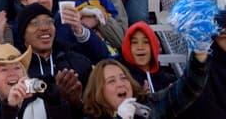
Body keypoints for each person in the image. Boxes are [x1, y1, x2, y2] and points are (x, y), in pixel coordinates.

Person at [82, 52, 210, 119]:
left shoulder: (148, 109)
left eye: (123, 77)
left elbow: (188, 89)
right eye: (111, 81)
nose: (121, 84)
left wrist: (200, 54)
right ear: (98, 91)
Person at [16, 3, 90, 115]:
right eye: (35, 23)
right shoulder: (15, 67)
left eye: (49, 21)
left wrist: (77, 102)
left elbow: (94, 109)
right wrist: (55, 91)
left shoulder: (78, 62)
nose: (45, 27)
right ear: (23, 34)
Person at [0, 43, 72, 118]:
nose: (12, 73)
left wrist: (56, 101)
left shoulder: (44, 100)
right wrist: (10, 107)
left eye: (17, 68)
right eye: (4, 69)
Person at [120, 21, 176, 93]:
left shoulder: (168, 79)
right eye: (134, 42)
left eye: (146, 42)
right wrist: (140, 98)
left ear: (154, 46)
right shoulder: (123, 80)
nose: (140, 47)